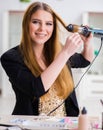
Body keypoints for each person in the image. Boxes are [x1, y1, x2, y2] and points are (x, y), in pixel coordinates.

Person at [0, 2, 94, 117]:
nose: (42, 29)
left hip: (64, 123)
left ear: (53, 28)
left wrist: (87, 43)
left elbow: (85, 60)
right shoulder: (11, 58)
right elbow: (36, 89)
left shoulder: (57, 51)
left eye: (49, 24)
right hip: (29, 125)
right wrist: (65, 53)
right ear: (26, 24)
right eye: (35, 22)